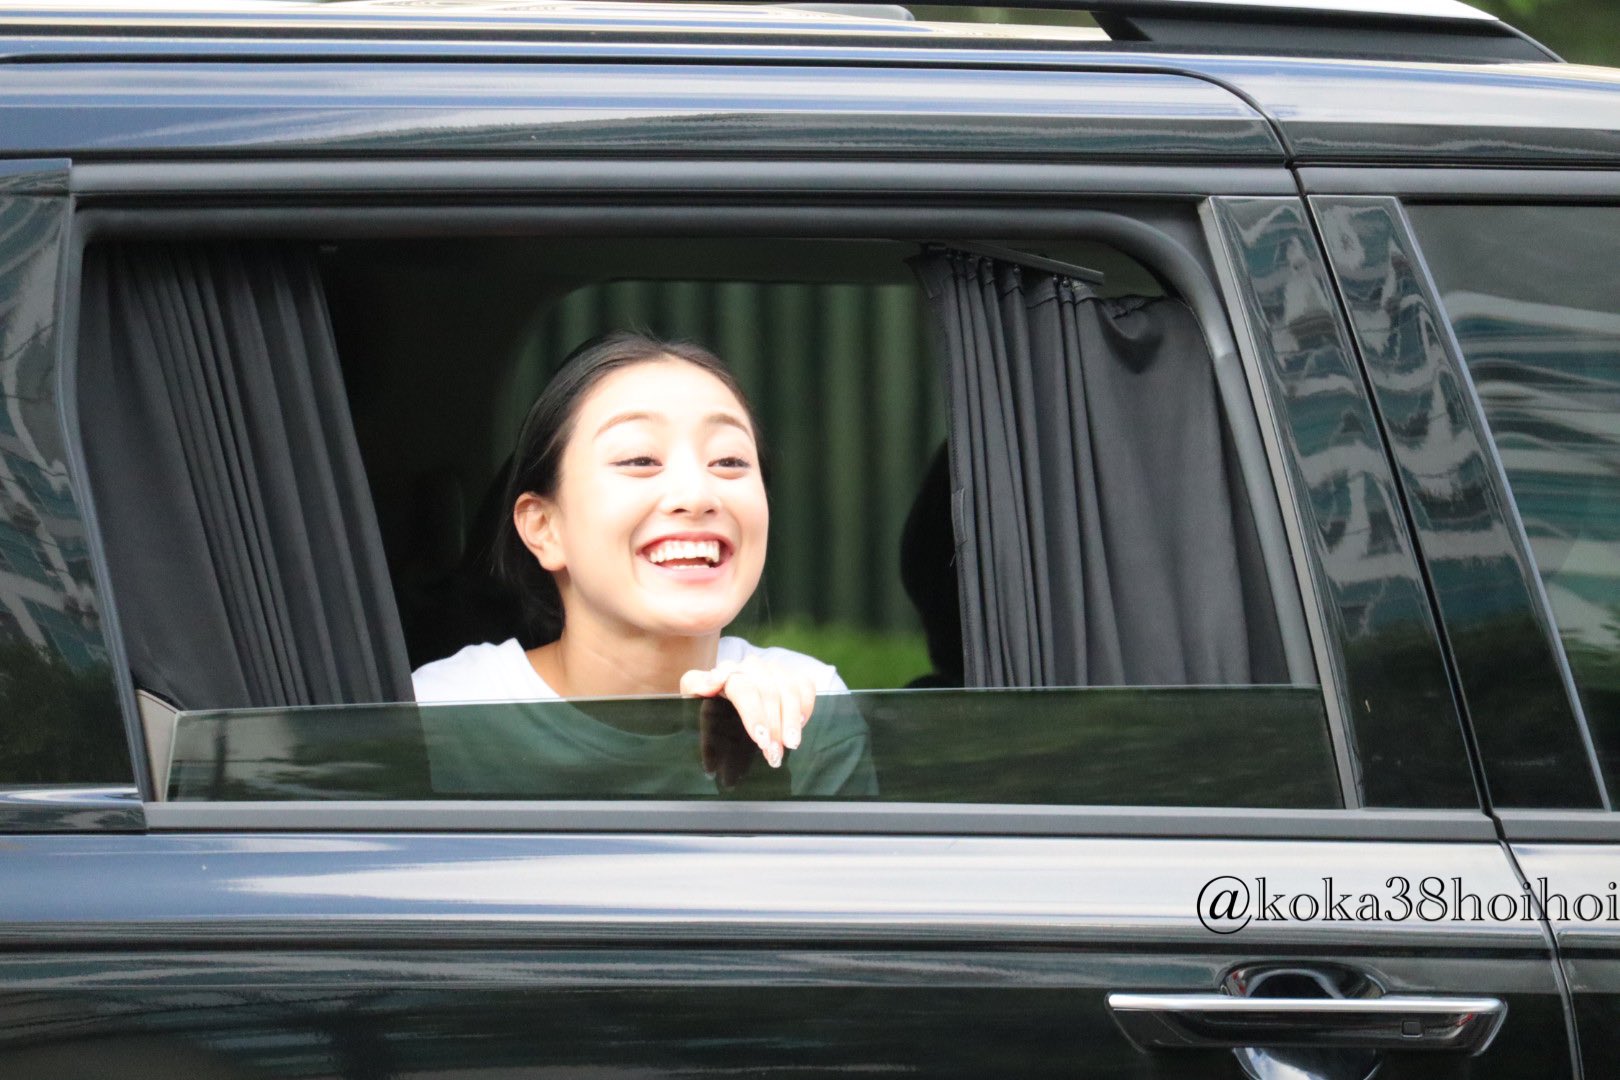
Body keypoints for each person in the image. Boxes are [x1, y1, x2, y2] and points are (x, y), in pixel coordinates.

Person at [413, 331, 872, 794]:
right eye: (639, 459)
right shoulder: (439, 714)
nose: (697, 495)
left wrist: (767, 780)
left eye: (729, 461)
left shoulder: (807, 709)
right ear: (544, 527)